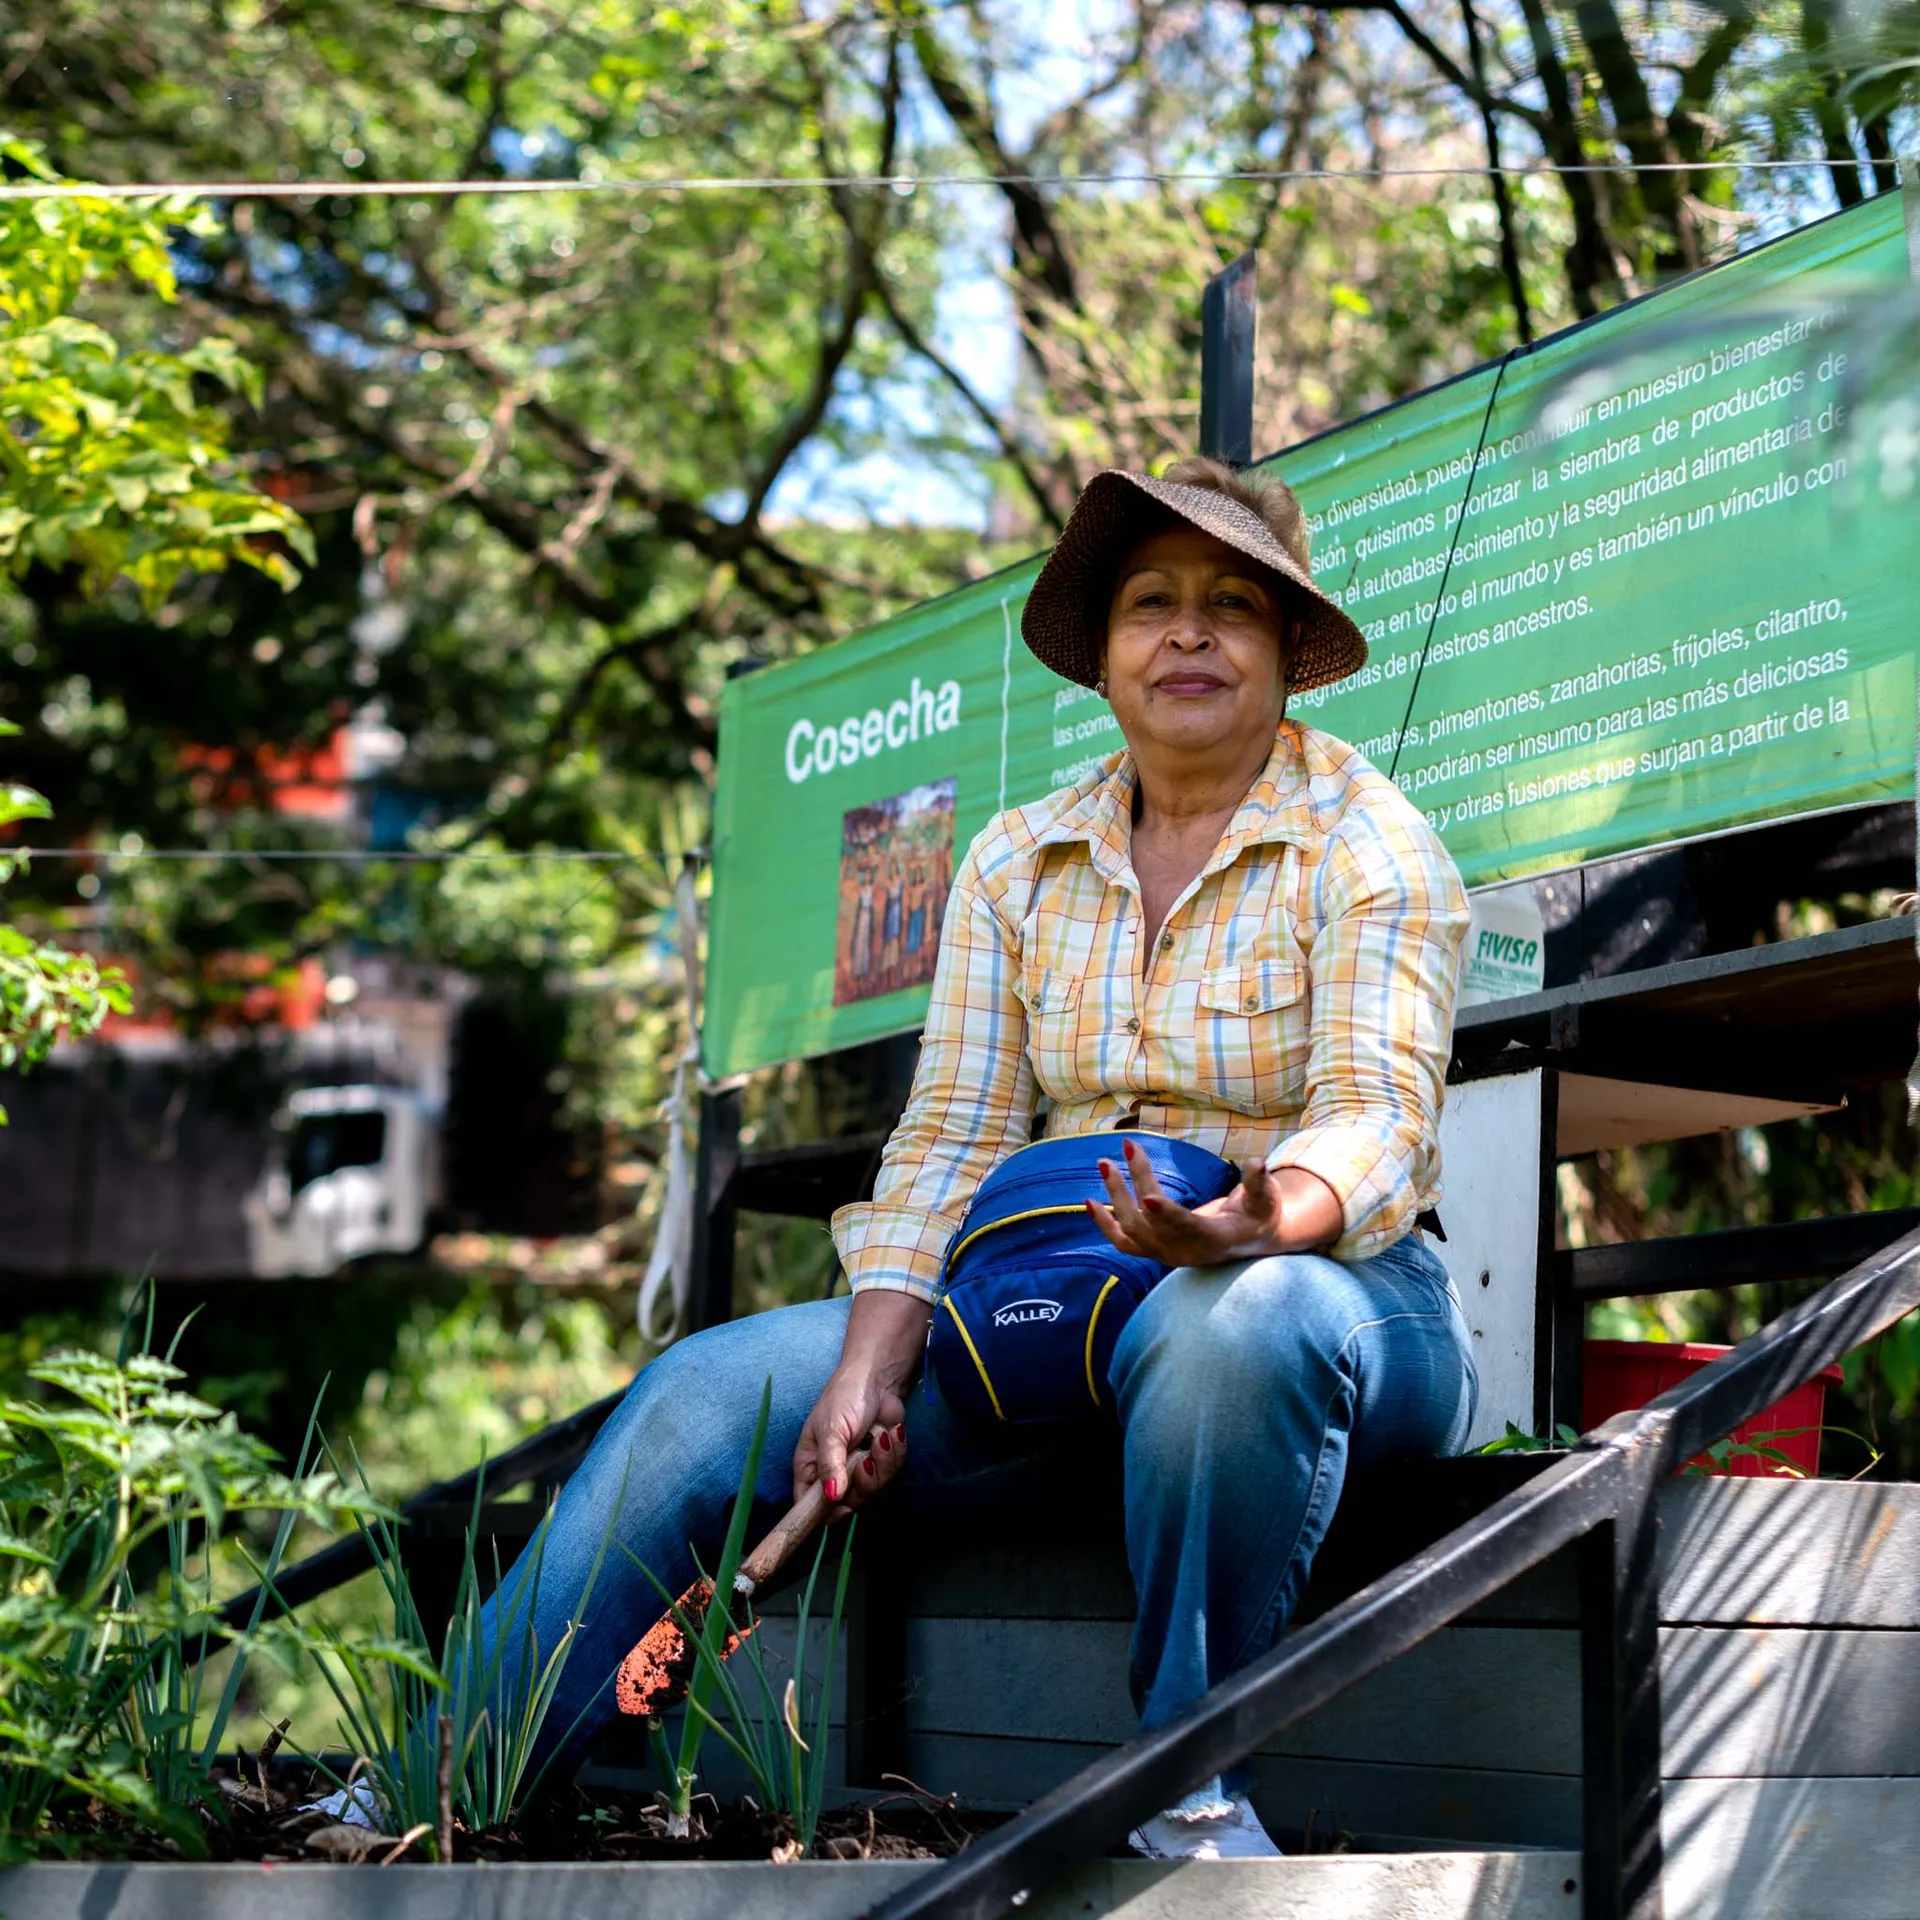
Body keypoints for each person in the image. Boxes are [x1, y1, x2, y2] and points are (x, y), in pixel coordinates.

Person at [484, 457, 1475, 1858]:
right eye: (1151, 603)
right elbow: (948, 1137)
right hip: (1041, 1331)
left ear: (1286, 652)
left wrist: (1243, 1229)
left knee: (1232, 1328)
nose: (1188, 634)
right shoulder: (1016, 861)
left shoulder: (1370, 843)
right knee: (706, 1390)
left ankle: (1182, 1786)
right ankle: (449, 1780)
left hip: (1332, 1307)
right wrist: (868, 1368)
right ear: (1107, 654)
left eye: (1230, 607)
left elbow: (1379, 1118)